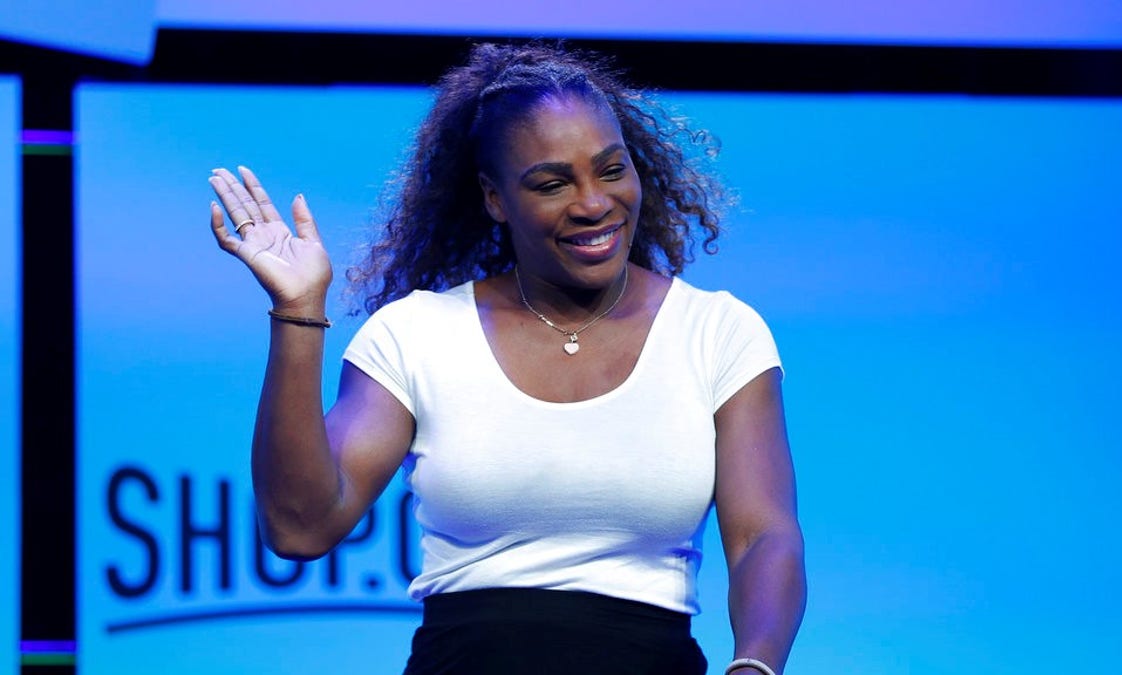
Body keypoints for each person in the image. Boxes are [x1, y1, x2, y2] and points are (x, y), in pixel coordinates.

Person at [208, 41, 805, 675]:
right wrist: (299, 311)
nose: (593, 202)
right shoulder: (417, 334)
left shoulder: (717, 332)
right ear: (495, 199)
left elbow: (762, 537)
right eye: (552, 183)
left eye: (610, 169)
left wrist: (754, 666)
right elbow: (300, 527)